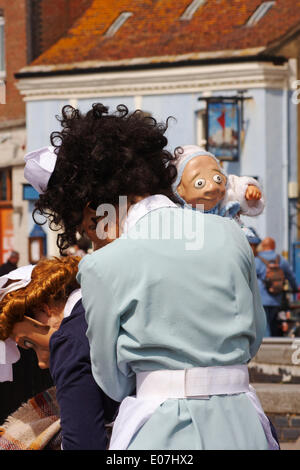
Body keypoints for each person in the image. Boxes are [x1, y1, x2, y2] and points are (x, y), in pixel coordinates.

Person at [24, 103, 279, 450]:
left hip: (162, 429)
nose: (90, 233)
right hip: (243, 422)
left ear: (92, 204)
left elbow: (111, 381)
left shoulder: (103, 265)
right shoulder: (230, 233)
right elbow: (252, 338)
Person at [0, 257, 118, 450]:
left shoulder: (67, 343)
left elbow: (83, 444)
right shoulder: (107, 300)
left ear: (42, 309)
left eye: (28, 343)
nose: (41, 364)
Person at [172, 145, 264, 240]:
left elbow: (239, 185)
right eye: (200, 183)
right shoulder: (177, 211)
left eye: (217, 178)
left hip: (226, 240)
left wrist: (249, 190)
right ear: (179, 189)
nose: (213, 187)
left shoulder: (227, 193)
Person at [255, 237, 298, 337]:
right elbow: (291, 276)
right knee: (274, 322)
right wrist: (295, 288)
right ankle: (274, 342)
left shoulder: (257, 260)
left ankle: (267, 347)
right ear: (274, 246)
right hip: (276, 298)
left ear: (263, 247)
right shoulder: (281, 260)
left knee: (264, 324)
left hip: (261, 298)